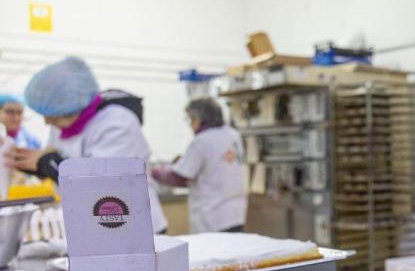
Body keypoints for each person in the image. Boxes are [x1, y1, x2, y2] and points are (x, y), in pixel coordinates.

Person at [7, 57, 168, 233]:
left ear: (78, 107)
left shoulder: (116, 122)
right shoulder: (61, 125)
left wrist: (47, 163)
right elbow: (59, 164)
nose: (47, 122)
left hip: (134, 224)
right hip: (94, 223)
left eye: (54, 115)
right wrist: (35, 165)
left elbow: (102, 183)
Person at [152, 98, 248, 233]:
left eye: (191, 119)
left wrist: (155, 172)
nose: (190, 124)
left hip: (212, 217)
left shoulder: (202, 141)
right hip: (235, 214)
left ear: (198, 118)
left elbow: (178, 177)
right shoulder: (233, 134)